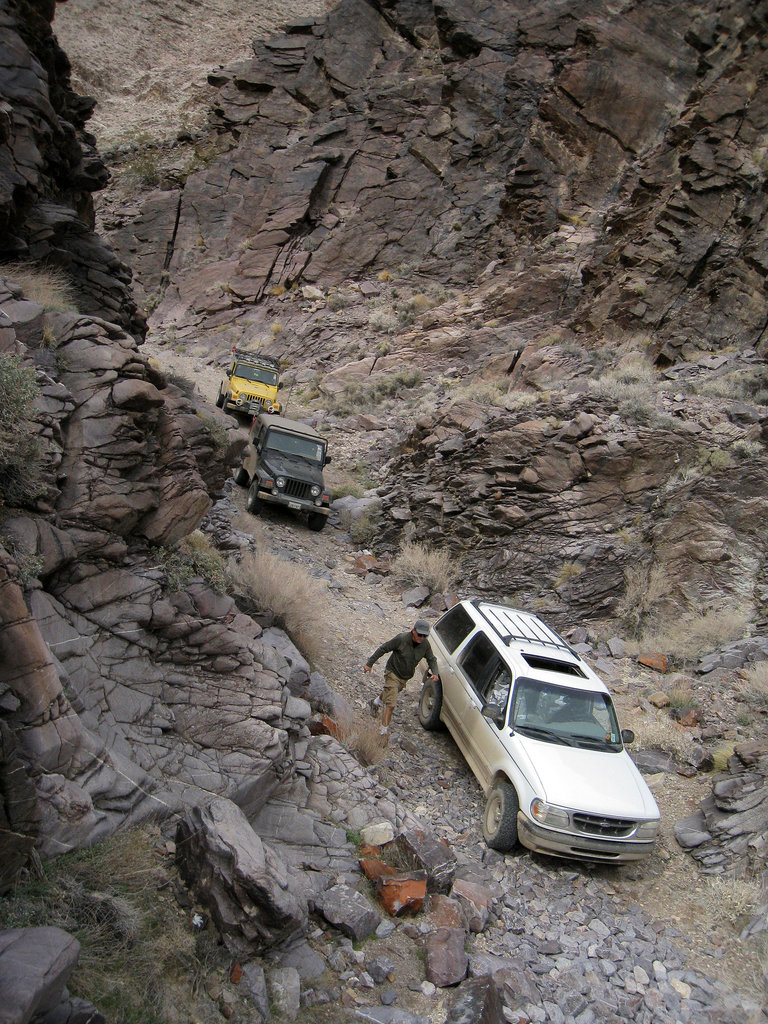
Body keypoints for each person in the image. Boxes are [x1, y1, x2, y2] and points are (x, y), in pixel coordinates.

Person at [364, 619, 439, 743]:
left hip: (404, 678)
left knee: (389, 693)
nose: (422, 637)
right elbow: (384, 648)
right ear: (413, 631)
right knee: (391, 704)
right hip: (392, 672)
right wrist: (369, 663)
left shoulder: (425, 645)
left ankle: (375, 703)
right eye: (419, 634)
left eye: (425, 635)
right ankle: (383, 732)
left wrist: (435, 672)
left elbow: (431, 659)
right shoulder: (401, 639)